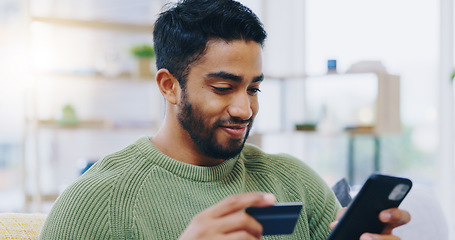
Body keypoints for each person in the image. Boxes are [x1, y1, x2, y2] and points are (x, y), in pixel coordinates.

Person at [39, 0, 410, 239]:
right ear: (170, 86)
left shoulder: (296, 182)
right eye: (222, 87)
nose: (244, 110)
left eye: (253, 89)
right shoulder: (97, 203)